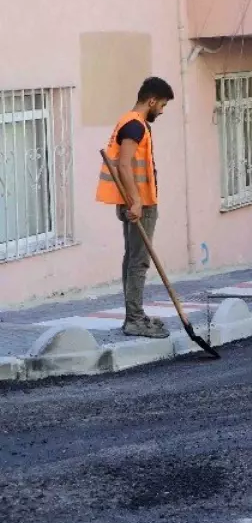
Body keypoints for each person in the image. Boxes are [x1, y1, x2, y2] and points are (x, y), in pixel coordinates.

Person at [95, 77, 175, 339]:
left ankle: (134, 315)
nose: (161, 111)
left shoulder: (130, 122)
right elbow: (124, 165)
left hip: (134, 201)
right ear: (151, 101)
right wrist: (137, 202)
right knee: (138, 261)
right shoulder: (134, 126)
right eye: (161, 105)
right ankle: (135, 319)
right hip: (140, 204)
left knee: (132, 259)